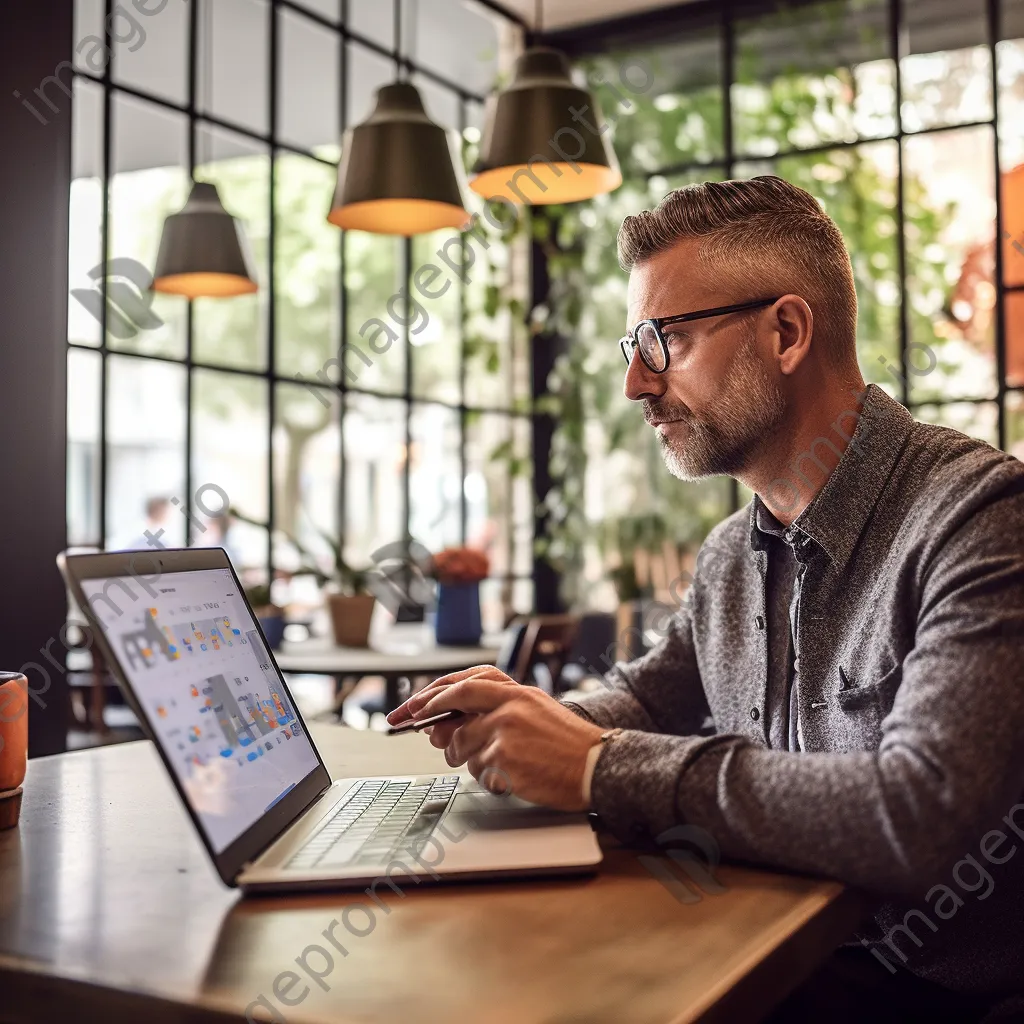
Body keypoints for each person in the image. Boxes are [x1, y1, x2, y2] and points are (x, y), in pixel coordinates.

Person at [386, 177, 1024, 1020]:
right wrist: (524, 718)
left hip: (933, 994)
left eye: (666, 341)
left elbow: (920, 816)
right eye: (632, 347)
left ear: (788, 332)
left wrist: (592, 764)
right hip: (767, 941)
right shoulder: (732, 551)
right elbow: (650, 697)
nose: (636, 385)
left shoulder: (980, 516)